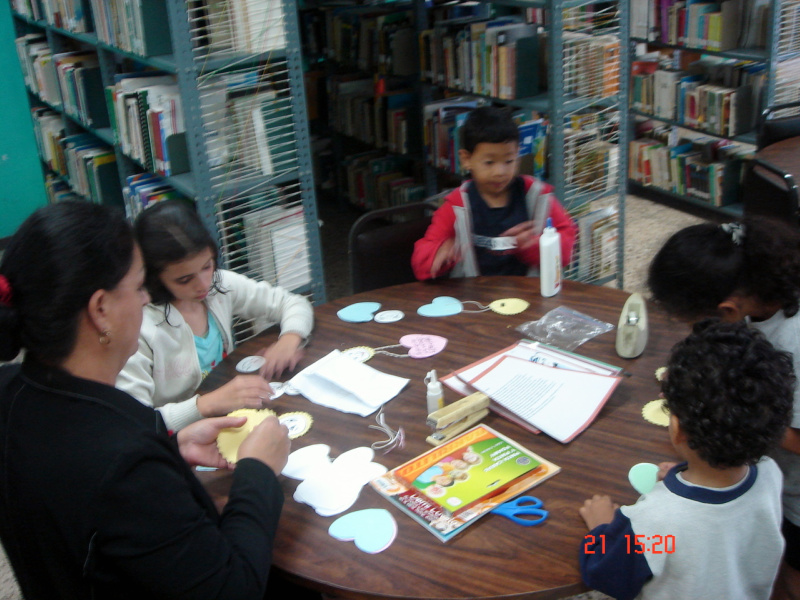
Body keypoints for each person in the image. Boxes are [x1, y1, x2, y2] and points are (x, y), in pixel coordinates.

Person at [0, 201, 292, 599]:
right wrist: (258, 471)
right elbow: (234, 588)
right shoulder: (124, 464)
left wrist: (171, 445)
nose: (145, 301)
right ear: (101, 309)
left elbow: (86, 501)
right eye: (139, 287)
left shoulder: (14, 390)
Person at [579, 319, 793, 600]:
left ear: (677, 429)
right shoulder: (770, 474)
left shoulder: (655, 523)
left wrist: (601, 529)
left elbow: (605, 575)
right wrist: (683, 474)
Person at [648, 217, 800, 599]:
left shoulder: (654, 523)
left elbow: (604, 560)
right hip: (761, 473)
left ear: (728, 311)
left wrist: (718, 411)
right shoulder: (765, 478)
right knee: (762, 553)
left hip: (796, 495)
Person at [116, 199, 314, 431]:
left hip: (230, 415)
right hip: (181, 440)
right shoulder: (139, 328)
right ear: (153, 277)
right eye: (184, 279)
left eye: (208, 266)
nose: (203, 284)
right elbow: (135, 423)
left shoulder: (219, 285)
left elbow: (293, 303)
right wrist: (207, 404)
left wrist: (289, 339)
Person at [411, 106, 577, 280]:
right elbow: (420, 263)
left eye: (509, 161)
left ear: (518, 157)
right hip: (475, 300)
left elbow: (566, 251)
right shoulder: (456, 205)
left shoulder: (538, 196)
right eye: (489, 162)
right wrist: (437, 254)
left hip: (530, 297)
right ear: (466, 159)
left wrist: (535, 246)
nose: (500, 171)